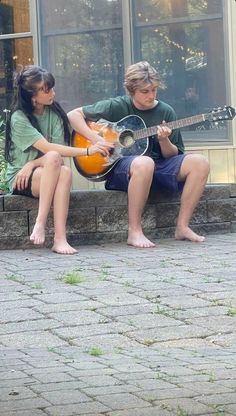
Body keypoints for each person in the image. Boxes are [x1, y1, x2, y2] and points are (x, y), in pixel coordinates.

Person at [67, 61, 210, 248]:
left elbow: (172, 155)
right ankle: (134, 231)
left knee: (200, 162)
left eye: (154, 90)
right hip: (122, 168)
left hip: (157, 167)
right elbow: (73, 115)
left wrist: (164, 140)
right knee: (144, 163)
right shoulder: (117, 105)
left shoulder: (166, 111)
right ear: (132, 90)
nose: (151, 96)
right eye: (145, 92)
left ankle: (182, 227)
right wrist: (97, 140)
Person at [5, 65, 110, 254]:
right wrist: (87, 150)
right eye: (47, 90)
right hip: (20, 178)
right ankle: (40, 222)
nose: (53, 92)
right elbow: (48, 149)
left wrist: (33, 163)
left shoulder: (53, 114)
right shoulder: (19, 117)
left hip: (42, 170)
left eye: (52, 88)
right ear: (33, 96)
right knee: (55, 159)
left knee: (65, 171)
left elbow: (56, 157)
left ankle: (60, 239)